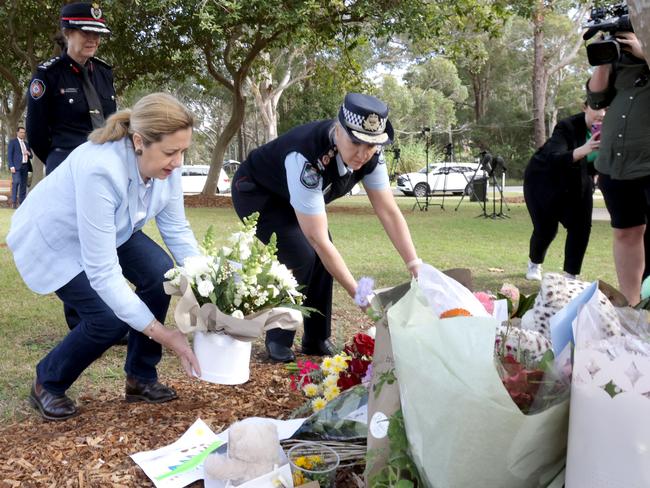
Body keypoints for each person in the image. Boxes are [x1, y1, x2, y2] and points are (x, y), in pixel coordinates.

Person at [7, 93, 201, 421]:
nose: (178, 161)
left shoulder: (168, 167)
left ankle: (140, 378)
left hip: (112, 227)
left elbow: (177, 231)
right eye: (171, 152)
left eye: (183, 151)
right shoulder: (101, 168)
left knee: (160, 275)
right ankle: (47, 382)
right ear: (139, 141)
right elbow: (103, 272)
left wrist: (209, 286)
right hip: (56, 238)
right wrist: (164, 334)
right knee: (108, 319)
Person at [231, 93, 420, 363]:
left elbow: (388, 211)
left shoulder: (371, 157)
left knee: (320, 258)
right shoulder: (306, 158)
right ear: (338, 130)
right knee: (303, 255)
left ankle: (316, 339)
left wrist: (414, 264)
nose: (363, 153)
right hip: (259, 194)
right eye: (356, 142)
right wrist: (359, 294)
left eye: (371, 145)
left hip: (293, 197)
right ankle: (278, 337)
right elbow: (318, 240)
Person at [587, 31, 650, 305]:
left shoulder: (640, 51)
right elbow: (596, 100)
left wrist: (644, 51)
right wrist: (603, 59)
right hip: (617, 162)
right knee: (626, 232)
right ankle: (631, 307)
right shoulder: (621, 61)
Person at [26, 2, 116, 175]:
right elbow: (36, 132)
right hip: (66, 165)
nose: (93, 39)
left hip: (103, 164)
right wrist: (58, 158)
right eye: (85, 32)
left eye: (97, 33)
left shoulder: (104, 73)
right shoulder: (47, 75)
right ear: (67, 33)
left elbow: (111, 121)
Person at [523, 103, 605, 281]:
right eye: (599, 108)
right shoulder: (567, 126)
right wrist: (586, 148)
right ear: (585, 107)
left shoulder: (614, 131)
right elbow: (554, 158)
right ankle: (534, 263)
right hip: (543, 180)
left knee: (581, 227)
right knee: (546, 229)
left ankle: (570, 276)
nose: (603, 113)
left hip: (578, 181)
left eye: (608, 109)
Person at [7, 127, 32, 208]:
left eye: (24, 132)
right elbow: (9, 155)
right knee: (16, 182)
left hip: (25, 166)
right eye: (21, 132)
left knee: (23, 185)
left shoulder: (26, 144)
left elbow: (31, 156)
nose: (23, 134)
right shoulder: (13, 142)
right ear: (17, 133)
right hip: (16, 167)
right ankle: (14, 202)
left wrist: (28, 153)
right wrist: (11, 166)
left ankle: (21, 203)